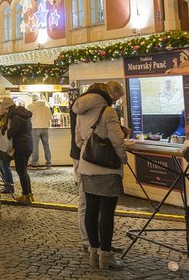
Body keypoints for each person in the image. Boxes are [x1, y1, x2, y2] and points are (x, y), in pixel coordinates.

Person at [74, 81, 127, 270]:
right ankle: (106, 256)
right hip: (107, 169)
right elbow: (117, 139)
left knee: (91, 210)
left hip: (87, 167)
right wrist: (123, 159)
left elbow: (79, 140)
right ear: (105, 94)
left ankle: (93, 254)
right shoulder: (108, 111)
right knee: (107, 213)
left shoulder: (81, 111)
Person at [2, 96, 34, 205]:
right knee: (24, 170)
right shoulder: (23, 114)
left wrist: (6, 131)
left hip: (21, 145)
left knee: (21, 171)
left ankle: (26, 195)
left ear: (8, 108)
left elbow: (12, 132)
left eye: (5, 109)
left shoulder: (16, 116)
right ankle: (29, 194)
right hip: (28, 144)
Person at [28, 94, 53, 168]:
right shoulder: (46, 106)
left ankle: (34, 162)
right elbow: (50, 117)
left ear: (33, 99)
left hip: (35, 128)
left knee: (35, 146)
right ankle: (48, 162)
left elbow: (27, 117)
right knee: (46, 145)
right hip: (45, 128)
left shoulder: (31, 106)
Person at [0, 109, 14, 194]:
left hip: (4, 146)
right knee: (3, 166)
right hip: (1, 146)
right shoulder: (3, 118)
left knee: (5, 166)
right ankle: (7, 185)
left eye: (0, 108)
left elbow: (4, 130)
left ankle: (9, 186)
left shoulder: (6, 118)